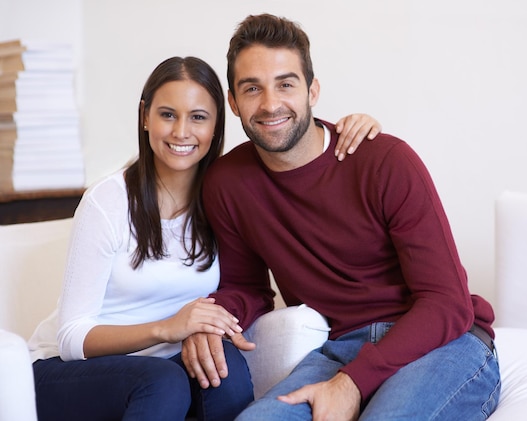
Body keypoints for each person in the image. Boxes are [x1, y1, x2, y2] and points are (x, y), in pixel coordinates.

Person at [182, 14, 501, 421]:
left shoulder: (384, 160)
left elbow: (447, 303)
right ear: (233, 102)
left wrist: (354, 383)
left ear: (312, 90)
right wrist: (210, 319)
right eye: (251, 88)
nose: (270, 103)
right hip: (341, 349)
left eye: (285, 84)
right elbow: (247, 287)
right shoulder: (227, 182)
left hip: (443, 343)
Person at [27, 55, 382, 421]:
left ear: (216, 127)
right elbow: (71, 338)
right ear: (145, 117)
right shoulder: (108, 200)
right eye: (168, 115)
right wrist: (168, 328)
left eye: (198, 117)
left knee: (222, 371)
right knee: (162, 381)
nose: (182, 131)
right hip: (64, 372)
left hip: (167, 365)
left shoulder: (223, 195)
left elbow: (253, 279)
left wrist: (353, 129)